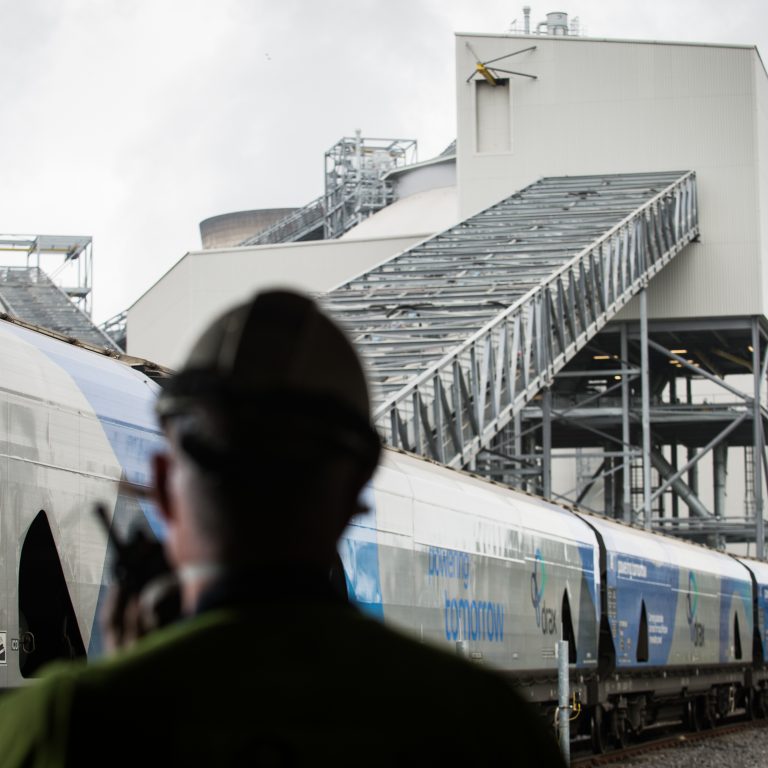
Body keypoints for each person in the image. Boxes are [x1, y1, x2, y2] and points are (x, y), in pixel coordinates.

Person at [0, 289, 567, 767]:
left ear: (168, 484)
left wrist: (129, 679)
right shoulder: (486, 724)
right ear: (357, 486)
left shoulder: (62, 723)